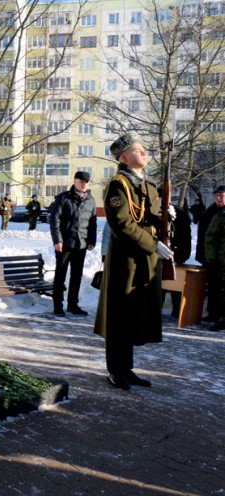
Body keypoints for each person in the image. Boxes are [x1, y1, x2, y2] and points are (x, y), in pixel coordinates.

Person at [94, 132, 173, 391]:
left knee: (132, 315)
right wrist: (153, 243)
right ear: (125, 156)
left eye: (144, 150)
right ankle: (115, 370)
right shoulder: (118, 185)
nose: (145, 153)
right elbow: (123, 225)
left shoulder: (148, 185)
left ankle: (126, 368)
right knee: (119, 315)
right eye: (139, 150)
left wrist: (168, 215)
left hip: (144, 260)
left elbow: (149, 218)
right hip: (126, 261)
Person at [48, 171, 97, 316]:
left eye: (86, 181)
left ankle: (73, 305)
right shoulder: (63, 198)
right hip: (64, 244)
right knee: (60, 276)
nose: (83, 183)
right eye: (80, 180)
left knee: (77, 276)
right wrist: (57, 240)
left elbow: (92, 222)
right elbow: (54, 220)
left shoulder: (91, 200)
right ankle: (58, 306)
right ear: (74, 181)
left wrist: (91, 240)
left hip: (81, 244)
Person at [158, 189, 192, 318]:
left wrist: (181, 255)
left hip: (175, 254)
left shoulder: (179, 213)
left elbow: (185, 235)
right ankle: (157, 309)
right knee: (159, 285)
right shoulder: (152, 211)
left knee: (175, 283)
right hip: (157, 253)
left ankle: (177, 310)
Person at [195, 186, 225, 322]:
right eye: (217, 195)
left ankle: (220, 316)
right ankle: (213, 313)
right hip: (211, 257)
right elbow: (202, 236)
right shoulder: (208, 213)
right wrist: (201, 256)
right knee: (213, 286)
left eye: (222, 195)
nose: (219, 198)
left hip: (222, 257)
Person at [204, 195, 225, 331]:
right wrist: (211, 258)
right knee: (222, 292)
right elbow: (210, 237)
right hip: (222, 260)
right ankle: (221, 319)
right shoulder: (221, 216)